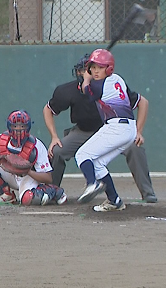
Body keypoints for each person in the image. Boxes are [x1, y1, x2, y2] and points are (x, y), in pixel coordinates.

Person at [43, 53, 157, 203]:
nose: (90, 72)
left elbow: (143, 103)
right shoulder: (67, 91)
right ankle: (53, 192)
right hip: (82, 131)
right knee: (58, 150)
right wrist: (54, 137)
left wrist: (139, 131)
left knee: (134, 148)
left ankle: (147, 193)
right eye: (87, 69)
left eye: (96, 68)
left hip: (111, 130)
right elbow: (48, 109)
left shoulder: (105, 84)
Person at [74, 49, 137, 212]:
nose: (95, 71)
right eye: (93, 67)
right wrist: (89, 79)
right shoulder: (118, 79)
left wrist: (86, 80)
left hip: (117, 127)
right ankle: (114, 200)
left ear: (109, 69)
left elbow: (87, 93)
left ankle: (91, 184)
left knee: (82, 155)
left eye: (100, 68)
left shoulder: (100, 84)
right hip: (129, 129)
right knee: (98, 163)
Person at [0, 110, 66, 206]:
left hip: (27, 177)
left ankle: (55, 191)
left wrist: (28, 171)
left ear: (28, 127)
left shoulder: (36, 146)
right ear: (9, 126)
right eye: (15, 126)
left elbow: (48, 178)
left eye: (22, 126)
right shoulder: (1, 140)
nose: (18, 129)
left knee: (29, 199)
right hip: (8, 173)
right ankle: (6, 194)